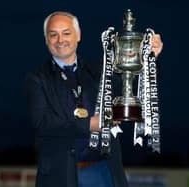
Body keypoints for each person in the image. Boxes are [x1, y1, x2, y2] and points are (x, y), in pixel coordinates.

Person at [26, 11, 163, 187]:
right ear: (46, 39)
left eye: (66, 33)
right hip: (59, 174)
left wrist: (150, 58)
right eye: (53, 34)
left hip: (102, 171)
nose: (60, 40)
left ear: (78, 36)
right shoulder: (37, 78)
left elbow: (130, 84)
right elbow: (43, 123)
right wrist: (88, 124)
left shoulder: (98, 71)